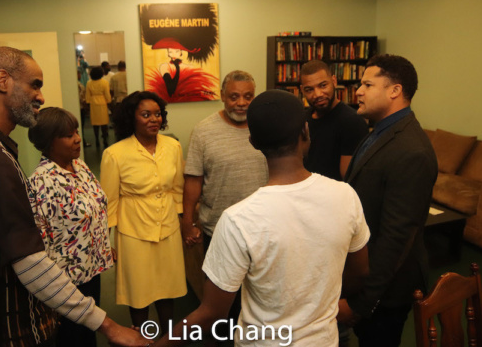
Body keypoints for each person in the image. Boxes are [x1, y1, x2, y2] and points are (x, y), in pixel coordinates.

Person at [0, 46, 148, 346]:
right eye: (34, 85)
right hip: (0, 324)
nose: (40, 96)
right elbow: (29, 260)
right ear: (3, 81)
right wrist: (108, 325)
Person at [155, 90, 370, 347]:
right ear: (305, 133)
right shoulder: (345, 195)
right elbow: (360, 272)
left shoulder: (238, 219)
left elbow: (212, 313)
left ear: (253, 142)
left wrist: (159, 344)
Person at [339, 54, 438, 347]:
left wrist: (360, 304)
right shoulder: (379, 131)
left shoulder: (412, 150)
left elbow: (397, 238)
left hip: (388, 289)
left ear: (394, 90)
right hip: (364, 270)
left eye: (367, 84)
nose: (358, 90)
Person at [181, 70, 268, 339]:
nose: (241, 103)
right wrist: (187, 222)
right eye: (234, 96)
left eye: (248, 96)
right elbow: (194, 180)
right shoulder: (204, 131)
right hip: (218, 232)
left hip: (262, 231)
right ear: (222, 97)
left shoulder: (266, 128)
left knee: (259, 300)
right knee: (218, 306)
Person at [100, 91, 187, 335]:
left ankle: (168, 339)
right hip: (133, 231)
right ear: (132, 118)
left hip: (167, 226)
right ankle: (142, 338)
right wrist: (106, 242)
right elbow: (109, 201)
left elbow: (178, 189)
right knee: (139, 292)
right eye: (146, 114)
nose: (153, 119)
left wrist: (182, 221)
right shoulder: (115, 154)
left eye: (157, 114)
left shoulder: (173, 146)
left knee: (167, 289)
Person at [28, 107, 114, 347]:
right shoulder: (41, 182)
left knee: (88, 334)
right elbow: (41, 240)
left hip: (90, 270)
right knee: (74, 339)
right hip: (66, 281)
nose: (77, 138)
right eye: (68, 135)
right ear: (48, 141)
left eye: (76, 131)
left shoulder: (80, 167)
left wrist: (103, 245)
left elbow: (95, 209)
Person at [300, 60, 369, 180]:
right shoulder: (302, 120)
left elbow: (349, 179)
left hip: (335, 197)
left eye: (323, 85)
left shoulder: (352, 122)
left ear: (334, 81)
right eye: (309, 90)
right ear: (302, 90)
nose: (317, 94)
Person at [86, 66, 111, 148]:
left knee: (95, 124)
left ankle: (96, 139)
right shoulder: (104, 82)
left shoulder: (89, 83)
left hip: (93, 103)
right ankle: (105, 140)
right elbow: (107, 94)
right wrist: (108, 100)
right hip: (102, 102)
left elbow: (87, 95)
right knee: (104, 123)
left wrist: (88, 102)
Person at [109, 60, 128, 137]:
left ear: (118, 67)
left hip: (118, 100)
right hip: (128, 98)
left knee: (119, 120)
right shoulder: (129, 74)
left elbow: (111, 90)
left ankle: (119, 135)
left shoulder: (114, 77)